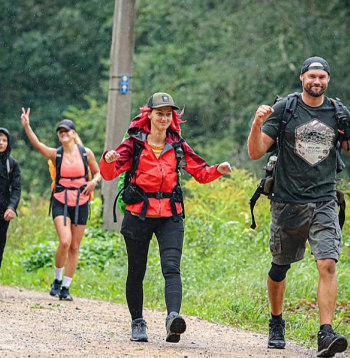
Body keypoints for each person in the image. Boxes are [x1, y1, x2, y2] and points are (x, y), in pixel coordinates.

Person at [100, 92, 232, 343]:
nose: (164, 117)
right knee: (136, 271)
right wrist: (108, 159)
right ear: (148, 115)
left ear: (173, 118)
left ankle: (173, 319)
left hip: (170, 215)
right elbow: (108, 173)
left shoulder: (177, 145)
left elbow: (201, 172)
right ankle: (137, 322)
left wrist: (218, 170)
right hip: (138, 214)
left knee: (172, 268)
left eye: (168, 114)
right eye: (159, 113)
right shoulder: (134, 143)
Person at [248, 57, 349, 357]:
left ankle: (325, 333)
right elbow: (255, 152)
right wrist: (257, 122)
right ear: (302, 77)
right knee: (280, 266)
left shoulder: (337, 112)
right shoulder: (286, 109)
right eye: (312, 76)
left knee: (327, 264)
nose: (317, 81)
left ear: (328, 80)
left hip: (324, 202)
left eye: (322, 77)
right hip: (287, 202)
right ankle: (276, 321)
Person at [21, 109, 101, 301]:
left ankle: (66, 287)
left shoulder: (86, 153)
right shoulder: (56, 155)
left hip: (81, 202)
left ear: (74, 134)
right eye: (60, 132)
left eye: (66, 131)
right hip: (61, 201)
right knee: (65, 241)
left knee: (74, 246)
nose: (63, 134)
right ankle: (56, 280)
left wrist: (93, 183)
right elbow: (38, 144)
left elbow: (98, 172)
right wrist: (27, 126)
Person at [0, 128, 21, 269]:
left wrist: (11, 207)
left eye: (4, 140)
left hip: (3, 211)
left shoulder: (12, 164)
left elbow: (16, 188)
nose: (1, 143)